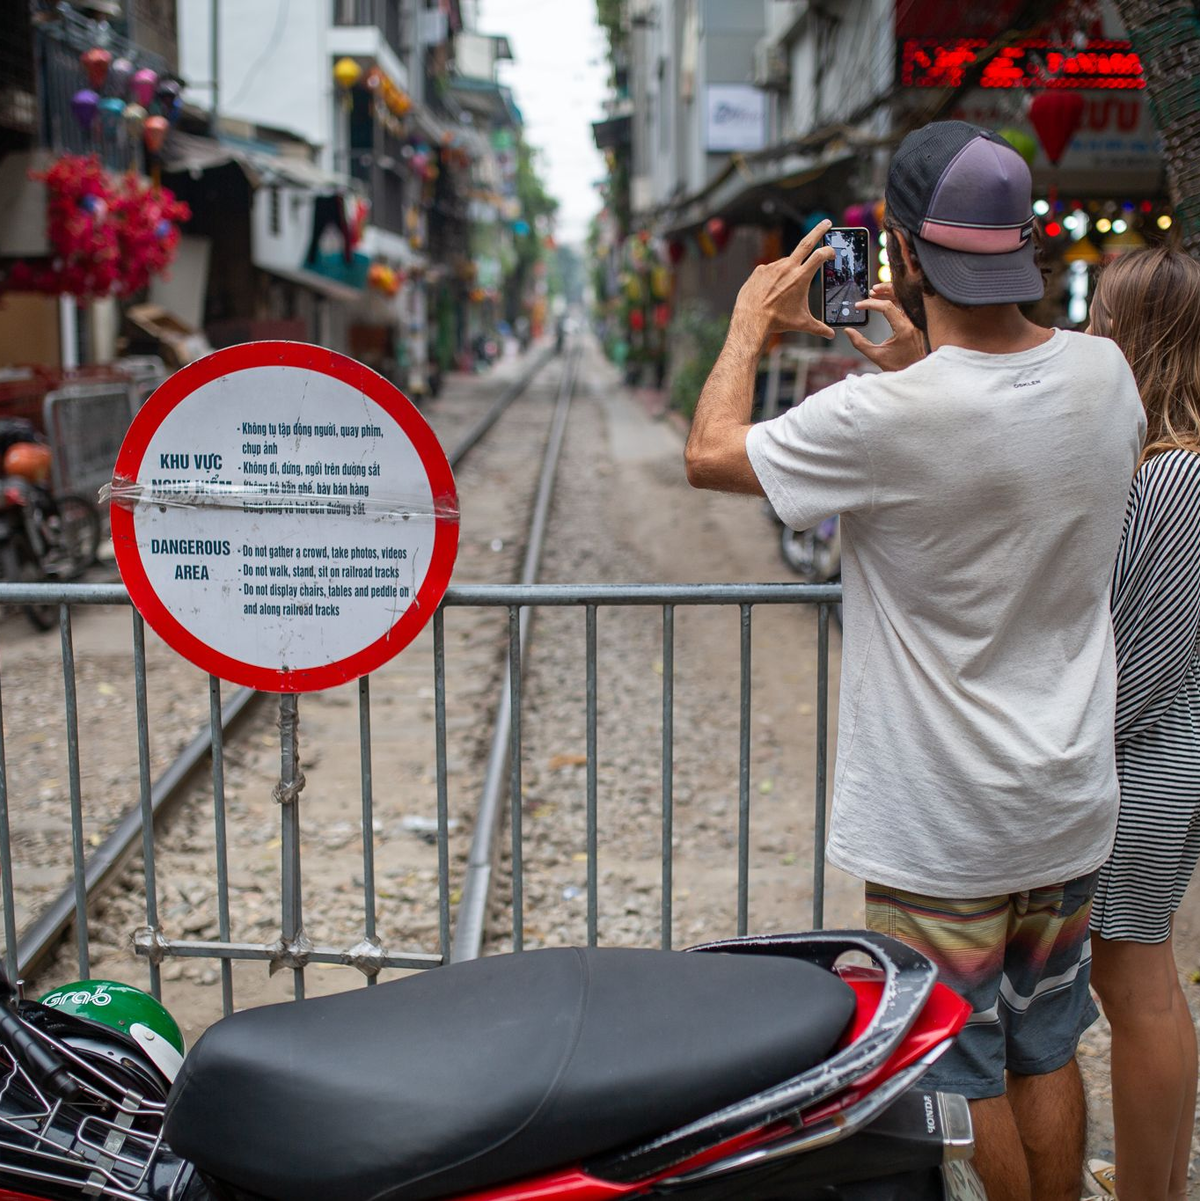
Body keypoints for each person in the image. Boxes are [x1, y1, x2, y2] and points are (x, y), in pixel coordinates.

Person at [683, 120, 1145, 1201]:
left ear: (898, 251)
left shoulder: (881, 417)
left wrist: (751, 321)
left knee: (961, 1064)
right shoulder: (1106, 373)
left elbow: (709, 454)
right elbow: (1000, 430)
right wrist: (914, 366)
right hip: (1067, 800)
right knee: (1047, 1045)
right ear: (1022, 245)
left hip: (943, 822)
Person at [1080, 248, 1200, 1201]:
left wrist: (1073, 749)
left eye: (1103, 314)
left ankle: (1152, 1191)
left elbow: (1144, 658)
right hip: (1164, 748)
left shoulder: (1170, 477)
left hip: (1149, 754)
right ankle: (1152, 1177)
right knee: (1146, 976)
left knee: (1136, 982)